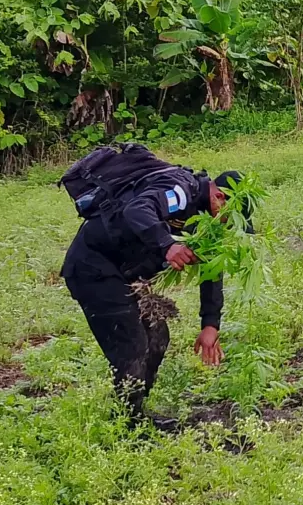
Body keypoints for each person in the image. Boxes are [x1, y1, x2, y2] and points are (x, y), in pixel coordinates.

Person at [62, 161, 246, 426]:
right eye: (231, 215)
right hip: (94, 270)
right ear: (220, 197)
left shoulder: (207, 222)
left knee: (158, 337)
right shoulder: (181, 190)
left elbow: (211, 268)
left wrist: (210, 324)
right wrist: (167, 245)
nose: (228, 224)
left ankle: (133, 416)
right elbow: (138, 209)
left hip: (126, 275)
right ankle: (127, 427)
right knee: (133, 345)